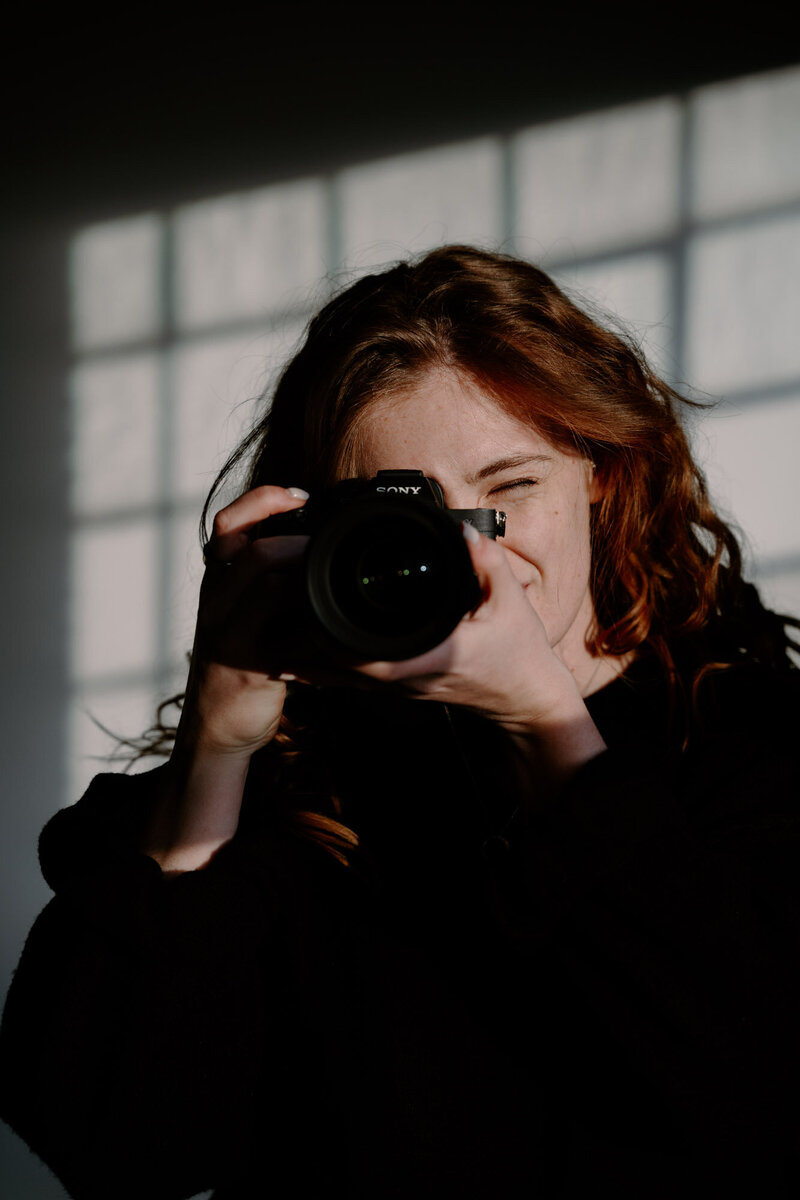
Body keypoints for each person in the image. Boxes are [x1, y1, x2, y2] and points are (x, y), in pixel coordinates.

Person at [1, 244, 799, 1199]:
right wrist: (216, 750)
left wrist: (545, 720)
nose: (470, 553)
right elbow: (123, 1151)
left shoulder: (757, 745)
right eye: (409, 515)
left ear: (601, 469)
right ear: (319, 525)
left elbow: (768, 1105)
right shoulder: (293, 790)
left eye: (509, 491)